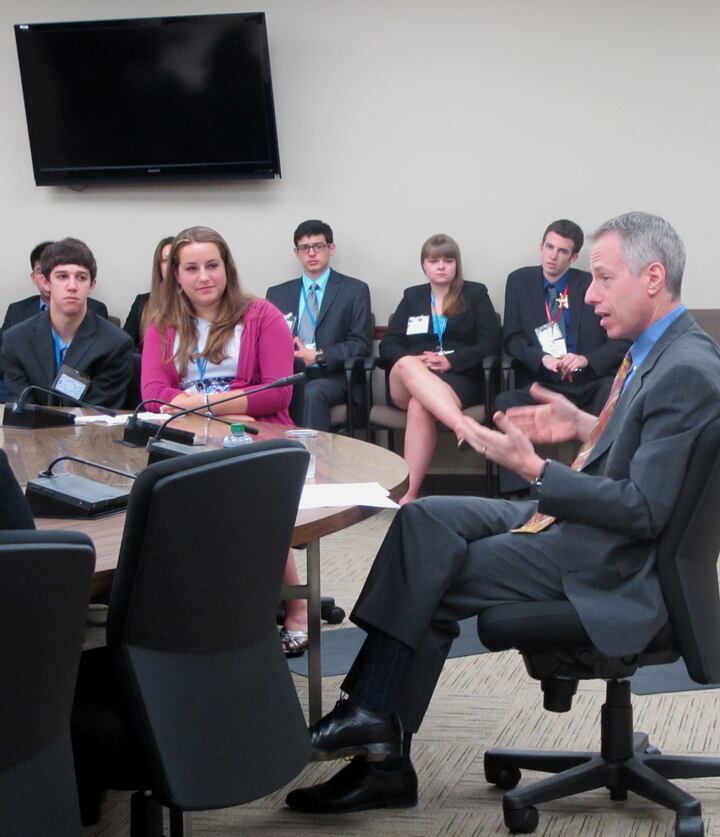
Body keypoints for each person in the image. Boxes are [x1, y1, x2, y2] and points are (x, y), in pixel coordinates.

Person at [285, 212, 720, 814]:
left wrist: (535, 471)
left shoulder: (684, 369)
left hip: (609, 561)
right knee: (423, 522)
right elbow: (646, 453)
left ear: (652, 277)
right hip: (584, 525)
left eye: (602, 279)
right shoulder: (666, 350)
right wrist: (585, 425)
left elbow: (645, 510)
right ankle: (370, 718)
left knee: (436, 574)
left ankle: (378, 745)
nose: (590, 293)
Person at [140, 226, 307, 654]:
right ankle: (207, 607)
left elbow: (276, 391)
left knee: (252, 496)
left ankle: (297, 611)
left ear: (226, 268)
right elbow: (152, 393)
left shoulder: (262, 315)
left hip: (256, 431)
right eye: (191, 268)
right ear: (175, 275)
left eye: (211, 265)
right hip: (188, 434)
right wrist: (196, 408)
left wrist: (202, 404)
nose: (203, 277)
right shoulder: (162, 322)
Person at [495, 219, 630, 493]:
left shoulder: (591, 285)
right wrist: (540, 358)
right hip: (542, 379)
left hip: (586, 382)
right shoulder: (519, 281)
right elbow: (512, 339)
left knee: (611, 393)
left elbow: (621, 341)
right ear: (541, 246)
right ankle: (521, 493)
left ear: (575, 256)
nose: (553, 256)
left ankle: (598, 484)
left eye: (562, 251)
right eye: (549, 247)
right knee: (505, 401)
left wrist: (586, 360)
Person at [377, 234, 500, 504]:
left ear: (457, 264)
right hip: (407, 380)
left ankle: (409, 495)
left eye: (448, 260)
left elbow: (490, 344)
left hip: (456, 379)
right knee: (407, 363)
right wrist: (416, 360)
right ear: (424, 265)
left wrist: (452, 361)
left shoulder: (475, 294)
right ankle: (462, 426)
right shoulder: (412, 297)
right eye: (434, 261)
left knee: (421, 406)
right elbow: (388, 345)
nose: (441, 266)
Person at [267, 219, 372, 431]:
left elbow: (360, 343)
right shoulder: (277, 294)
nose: (312, 253)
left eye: (318, 246)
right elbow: (268, 342)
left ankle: (312, 461)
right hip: (288, 375)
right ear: (296, 252)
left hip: (333, 376)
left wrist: (317, 356)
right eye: (305, 248)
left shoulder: (354, 290)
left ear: (331, 249)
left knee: (311, 392)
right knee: (264, 392)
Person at [1, 238, 132, 408]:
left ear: (92, 284)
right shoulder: (17, 340)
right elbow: (23, 410)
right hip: (31, 433)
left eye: (81, 277)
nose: (72, 286)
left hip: (90, 433)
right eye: (62, 276)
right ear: (47, 283)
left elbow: (97, 416)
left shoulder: (115, 344)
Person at [122, 236, 174, 348]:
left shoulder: (198, 303)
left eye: (175, 261)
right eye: (166, 260)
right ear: (159, 267)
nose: (170, 266)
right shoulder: (142, 302)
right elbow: (124, 348)